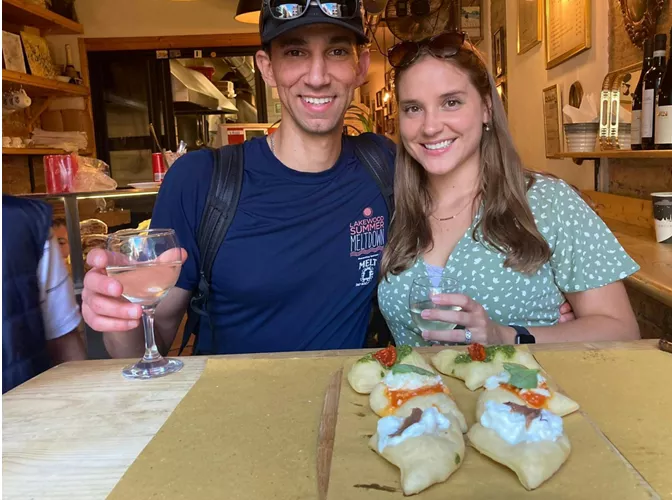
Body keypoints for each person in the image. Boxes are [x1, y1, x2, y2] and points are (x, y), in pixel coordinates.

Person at [80, 1, 573, 358]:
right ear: (267, 67)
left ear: (360, 66)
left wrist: (541, 311)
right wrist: (116, 316)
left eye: (336, 52)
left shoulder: (386, 165)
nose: (317, 76)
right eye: (295, 52)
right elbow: (153, 338)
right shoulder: (201, 180)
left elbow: (461, 215)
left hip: (359, 416)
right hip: (233, 418)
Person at [377, 32, 640, 346]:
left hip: (526, 393)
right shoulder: (390, 206)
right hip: (413, 394)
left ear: (487, 108)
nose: (431, 126)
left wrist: (507, 335)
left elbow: (621, 331)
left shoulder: (549, 202)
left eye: (451, 102)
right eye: (413, 108)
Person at [3, 195, 87, 393]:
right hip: (29, 406)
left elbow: (64, 343)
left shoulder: (30, 222)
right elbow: (65, 345)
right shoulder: (26, 219)